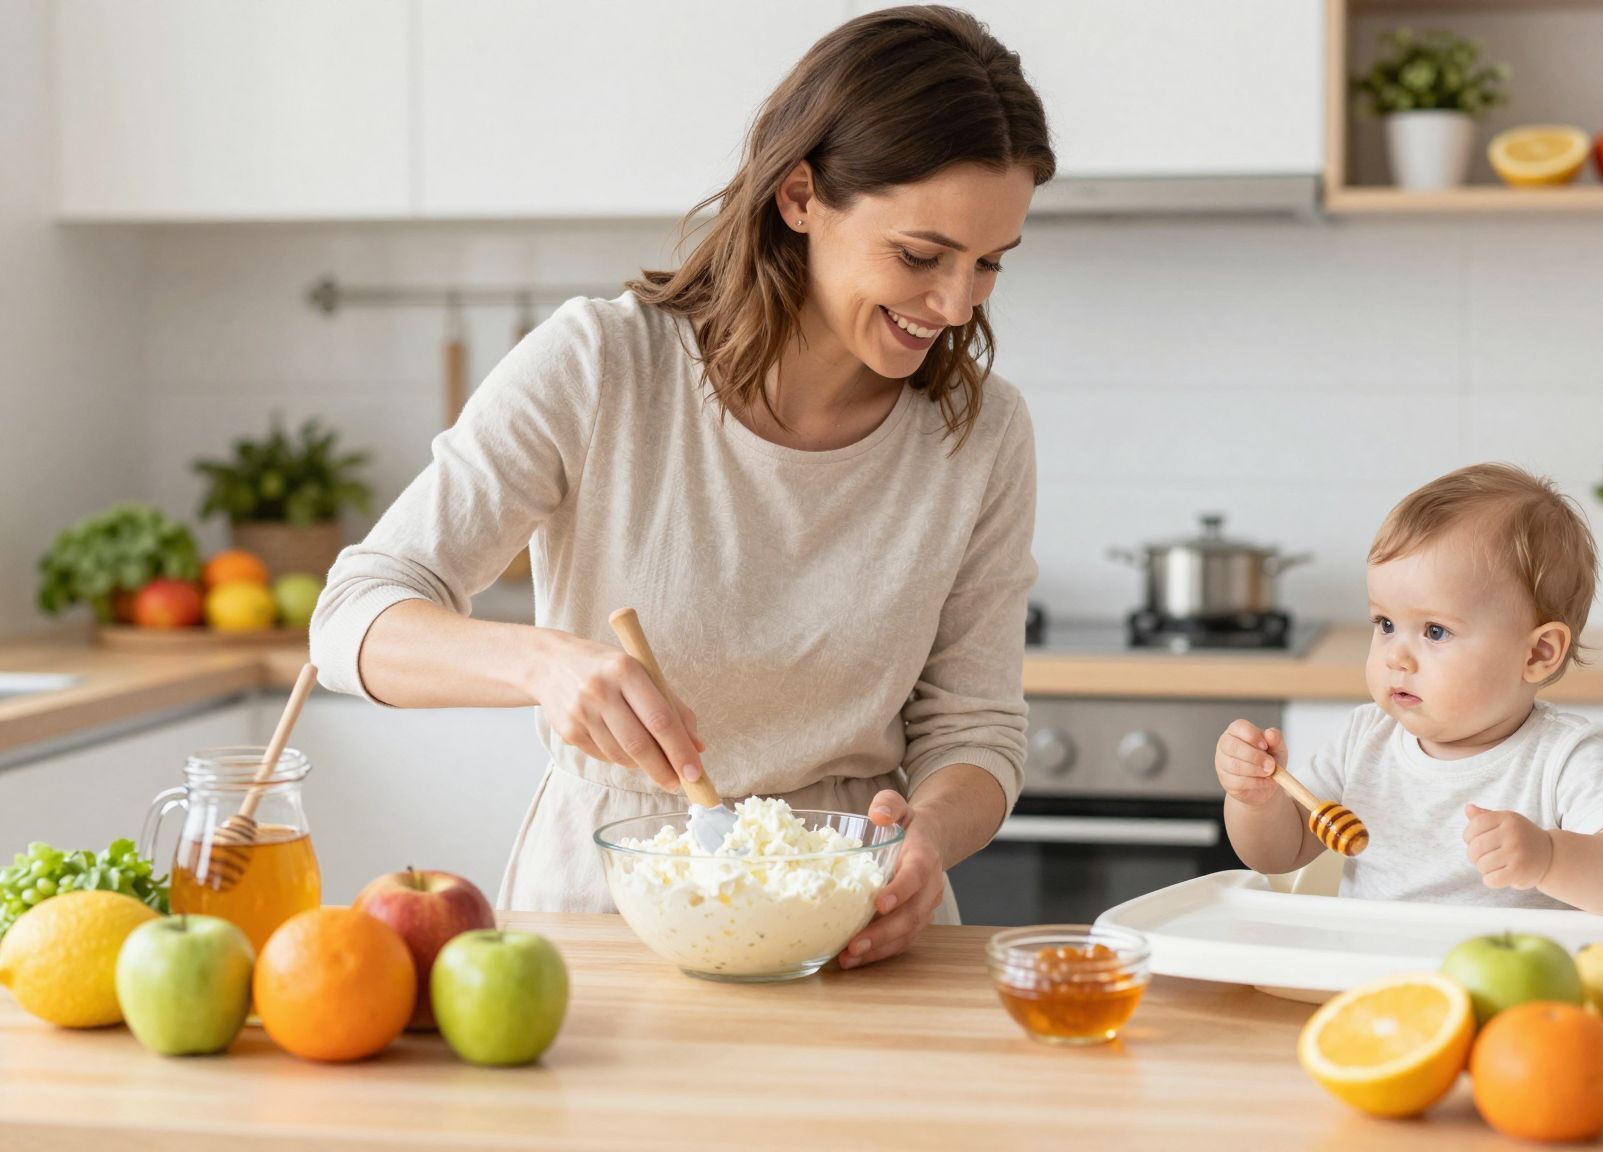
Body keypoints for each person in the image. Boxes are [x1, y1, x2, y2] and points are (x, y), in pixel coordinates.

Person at [309, 6, 1055, 969]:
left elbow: (976, 730)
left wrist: (925, 838)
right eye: (920, 256)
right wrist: (542, 665)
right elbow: (351, 616)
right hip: (605, 922)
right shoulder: (603, 366)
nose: (956, 306)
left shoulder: (981, 434)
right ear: (799, 198)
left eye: (989, 263)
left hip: (852, 923)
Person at [1214, 464, 1603, 914]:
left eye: (1435, 631)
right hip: (1378, 981)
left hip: (1508, 989)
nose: (1396, 656)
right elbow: (1279, 855)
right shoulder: (1364, 738)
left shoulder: (1564, 757)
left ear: (1537, 654)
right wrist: (1255, 802)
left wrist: (1550, 857)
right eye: (1386, 623)